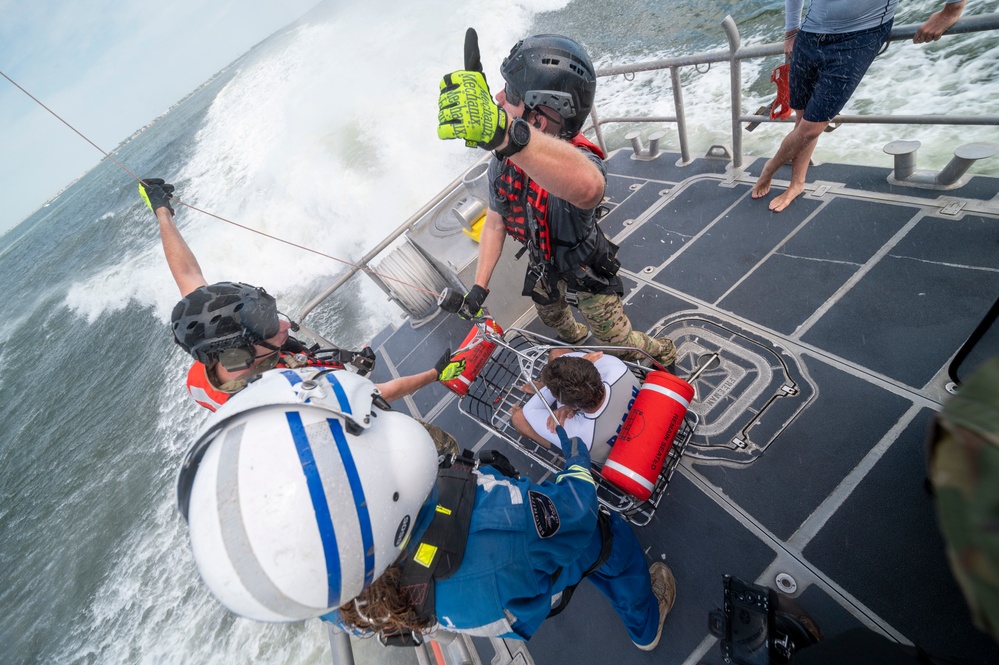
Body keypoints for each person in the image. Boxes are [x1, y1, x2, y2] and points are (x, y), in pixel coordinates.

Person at [176, 366, 678, 651]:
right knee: (610, 546)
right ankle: (646, 625)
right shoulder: (500, 522)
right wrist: (574, 457)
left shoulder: (331, 588)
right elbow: (574, 511)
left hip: (480, 607)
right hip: (522, 563)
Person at [138, 178, 463, 450]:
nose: (283, 325)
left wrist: (162, 212)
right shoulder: (294, 391)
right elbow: (378, 395)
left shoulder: (209, 356)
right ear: (238, 355)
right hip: (354, 439)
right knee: (435, 449)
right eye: (267, 327)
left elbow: (187, 274)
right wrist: (436, 374)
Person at [435, 34, 677, 369]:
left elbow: (589, 187)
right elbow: (495, 221)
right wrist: (479, 286)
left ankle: (662, 352)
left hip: (584, 266)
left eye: (511, 94)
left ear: (538, 117)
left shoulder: (577, 161)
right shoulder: (504, 161)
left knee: (620, 343)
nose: (498, 98)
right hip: (544, 264)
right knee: (553, 318)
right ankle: (575, 338)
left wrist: (505, 134)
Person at [752, 0, 966, 212]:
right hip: (808, 34)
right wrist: (791, 31)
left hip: (858, 37)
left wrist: (951, 10)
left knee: (810, 128)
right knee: (803, 118)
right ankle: (797, 184)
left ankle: (770, 167)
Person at [511, 350, 639, 464]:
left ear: (572, 407)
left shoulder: (577, 436)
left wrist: (555, 394)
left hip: (594, 448)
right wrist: (579, 371)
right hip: (634, 422)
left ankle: (544, 390)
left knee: (519, 418)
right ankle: (550, 390)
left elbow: (530, 410)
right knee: (558, 354)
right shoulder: (615, 367)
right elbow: (569, 357)